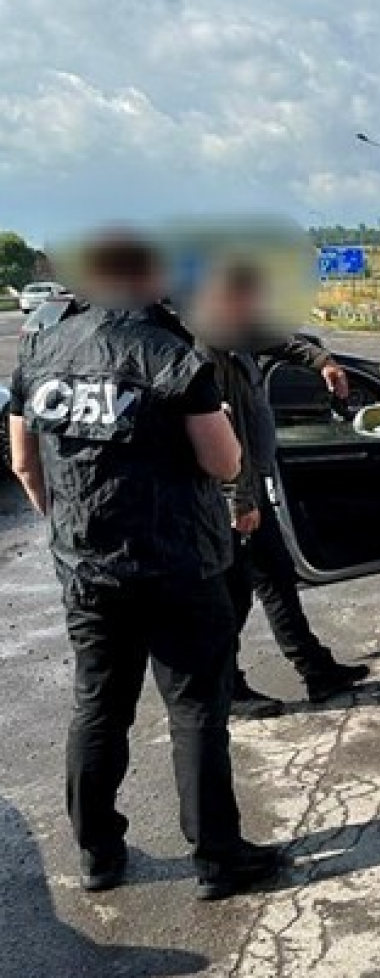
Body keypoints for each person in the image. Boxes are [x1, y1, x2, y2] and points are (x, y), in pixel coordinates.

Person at [6, 231, 282, 900]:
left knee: (99, 707)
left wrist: (66, 527)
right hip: (178, 565)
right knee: (196, 710)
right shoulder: (172, 354)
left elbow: (23, 463)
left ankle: (97, 855)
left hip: (88, 569)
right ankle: (217, 858)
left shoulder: (42, 349)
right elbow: (224, 462)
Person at [190, 261, 369, 715]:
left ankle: (316, 670)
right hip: (227, 499)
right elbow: (223, 433)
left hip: (246, 489)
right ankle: (225, 688)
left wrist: (323, 362)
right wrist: (240, 498)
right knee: (233, 596)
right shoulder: (207, 349)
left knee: (276, 581)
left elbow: (282, 341)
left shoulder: (237, 332)